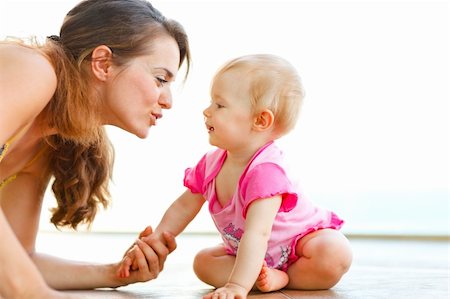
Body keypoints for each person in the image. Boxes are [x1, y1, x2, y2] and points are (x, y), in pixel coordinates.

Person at [118, 54, 353, 298]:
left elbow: (258, 233)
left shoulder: (266, 171)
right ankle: (261, 276)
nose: (206, 111)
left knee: (334, 253)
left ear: (260, 120)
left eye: (219, 105)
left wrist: (236, 286)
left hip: (298, 248)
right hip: (251, 254)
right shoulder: (211, 164)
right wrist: (156, 240)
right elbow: (183, 207)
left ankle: (284, 278)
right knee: (203, 263)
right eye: (211, 102)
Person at [0, 0, 191, 298]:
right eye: (160, 79)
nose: (167, 100)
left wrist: (115, 273)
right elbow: (20, 282)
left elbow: (18, 261)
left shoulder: (46, 143)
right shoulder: (33, 68)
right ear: (103, 63)